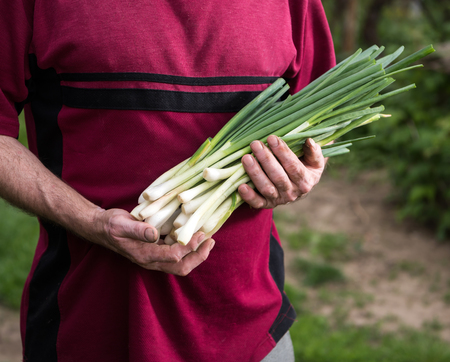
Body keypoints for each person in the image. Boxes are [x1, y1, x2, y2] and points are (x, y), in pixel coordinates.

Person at [0, 0, 335, 360]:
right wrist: (93, 222)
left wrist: (304, 172)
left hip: (250, 333)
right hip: (85, 326)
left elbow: (321, 119)